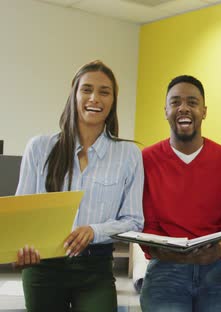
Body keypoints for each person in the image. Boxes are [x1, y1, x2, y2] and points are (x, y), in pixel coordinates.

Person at [14, 60, 144, 311]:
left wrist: (95, 230)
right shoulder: (40, 148)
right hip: (43, 267)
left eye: (104, 92)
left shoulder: (129, 154)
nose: (94, 98)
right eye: (86, 89)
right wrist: (22, 248)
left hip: (95, 269)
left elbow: (134, 220)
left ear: (113, 101)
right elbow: (22, 216)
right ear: (73, 95)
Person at [140, 75, 221, 312]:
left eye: (192, 102)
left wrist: (218, 250)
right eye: (175, 102)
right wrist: (166, 252)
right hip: (165, 268)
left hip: (217, 268)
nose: (184, 108)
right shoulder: (144, 161)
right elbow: (147, 225)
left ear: (204, 111)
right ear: (166, 110)